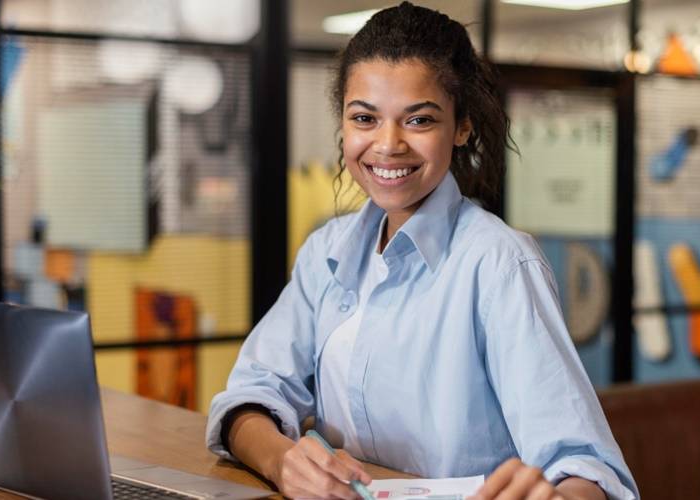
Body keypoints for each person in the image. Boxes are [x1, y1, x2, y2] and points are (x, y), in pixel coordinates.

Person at [206, 3, 638, 500]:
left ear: (462, 128)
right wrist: (284, 462)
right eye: (365, 118)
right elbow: (247, 397)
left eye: (419, 120)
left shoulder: (499, 263)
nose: (388, 145)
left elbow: (587, 468)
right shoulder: (327, 250)